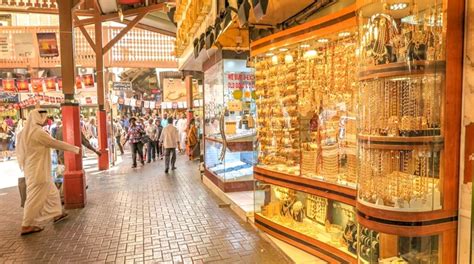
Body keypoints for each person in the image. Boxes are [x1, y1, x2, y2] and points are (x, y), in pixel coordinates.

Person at [16, 109, 80, 235]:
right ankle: (26, 224)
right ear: (38, 118)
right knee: (34, 198)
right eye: (44, 117)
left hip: (33, 169)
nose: (46, 119)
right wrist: (75, 149)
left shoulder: (24, 132)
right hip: (39, 171)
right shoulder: (38, 133)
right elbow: (54, 143)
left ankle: (57, 214)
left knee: (52, 193)